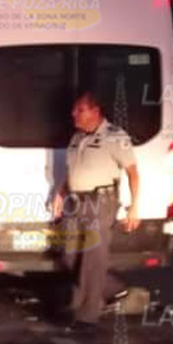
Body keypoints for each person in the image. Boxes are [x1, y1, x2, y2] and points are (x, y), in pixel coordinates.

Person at [52, 90, 141, 331]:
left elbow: (133, 172)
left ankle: (87, 317)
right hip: (75, 201)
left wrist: (135, 207)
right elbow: (73, 171)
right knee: (68, 254)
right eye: (74, 110)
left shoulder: (114, 137)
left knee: (92, 258)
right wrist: (60, 194)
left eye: (79, 110)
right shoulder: (77, 137)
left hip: (100, 201)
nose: (74, 114)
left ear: (95, 111)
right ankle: (112, 288)